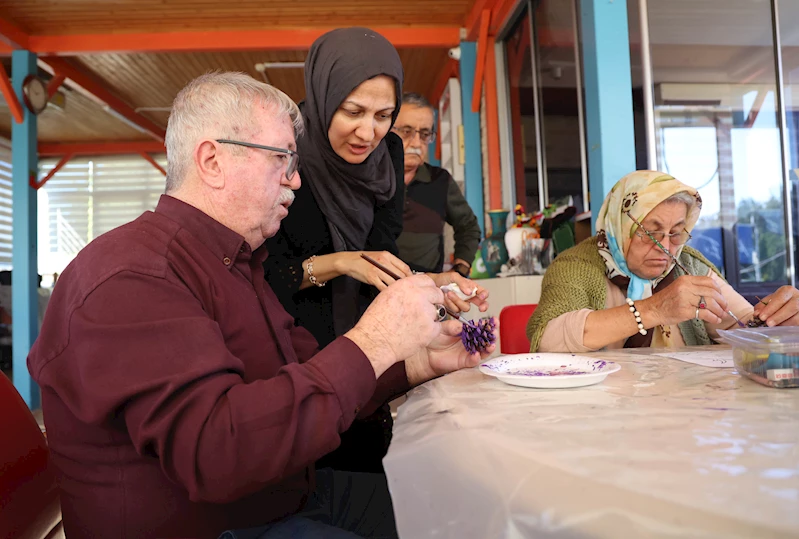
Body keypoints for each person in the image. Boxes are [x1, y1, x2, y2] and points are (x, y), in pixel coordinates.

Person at [26, 72, 497, 539]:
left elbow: (310, 375)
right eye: (282, 159)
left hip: (283, 496)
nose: (295, 179)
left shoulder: (235, 261)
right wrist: (376, 339)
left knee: (465, 507)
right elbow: (218, 455)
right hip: (219, 526)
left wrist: (415, 361)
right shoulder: (133, 274)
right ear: (212, 160)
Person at [263, 28, 488, 474]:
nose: (369, 131)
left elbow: (382, 257)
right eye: (353, 111)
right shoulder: (285, 154)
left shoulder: (387, 154)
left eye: (385, 114)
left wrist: (434, 283)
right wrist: (341, 262)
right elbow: (270, 279)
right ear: (325, 95)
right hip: (297, 351)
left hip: (370, 351)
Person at [526, 170, 799, 353]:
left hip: (682, 410)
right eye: (650, 232)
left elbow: (741, 326)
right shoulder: (576, 267)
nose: (666, 247)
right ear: (620, 226)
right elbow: (547, 340)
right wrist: (654, 309)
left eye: (676, 233)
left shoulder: (690, 265)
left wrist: (779, 321)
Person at [393, 93, 481, 276]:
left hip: (428, 291)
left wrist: (460, 269)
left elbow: (469, 226)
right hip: (372, 293)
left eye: (425, 134)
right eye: (406, 132)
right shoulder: (370, 178)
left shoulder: (440, 181)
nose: (416, 143)